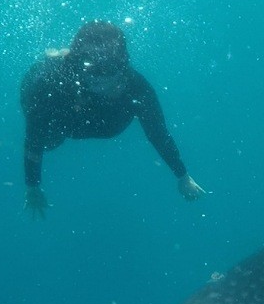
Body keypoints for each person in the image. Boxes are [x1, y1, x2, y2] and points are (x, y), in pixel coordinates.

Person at [20, 20, 206, 218]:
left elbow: (157, 134)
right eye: (92, 63)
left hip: (91, 117)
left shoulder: (138, 90)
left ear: (123, 62)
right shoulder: (51, 86)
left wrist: (182, 176)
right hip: (53, 105)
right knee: (50, 141)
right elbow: (34, 140)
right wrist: (32, 185)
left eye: (109, 63)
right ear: (77, 62)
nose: (101, 75)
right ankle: (59, 57)